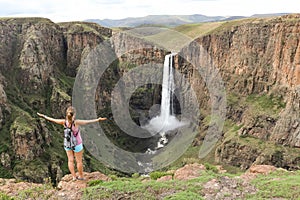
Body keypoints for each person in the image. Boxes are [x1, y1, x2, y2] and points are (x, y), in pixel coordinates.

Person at [37, 106, 106, 181]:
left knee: (70, 160)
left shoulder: (63, 122)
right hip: (77, 144)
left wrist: (44, 116)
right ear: (74, 115)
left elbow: (52, 120)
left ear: (67, 114)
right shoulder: (76, 122)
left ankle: (73, 177)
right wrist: (98, 119)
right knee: (79, 161)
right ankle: (81, 176)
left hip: (67, 144)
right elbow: (88, 121)